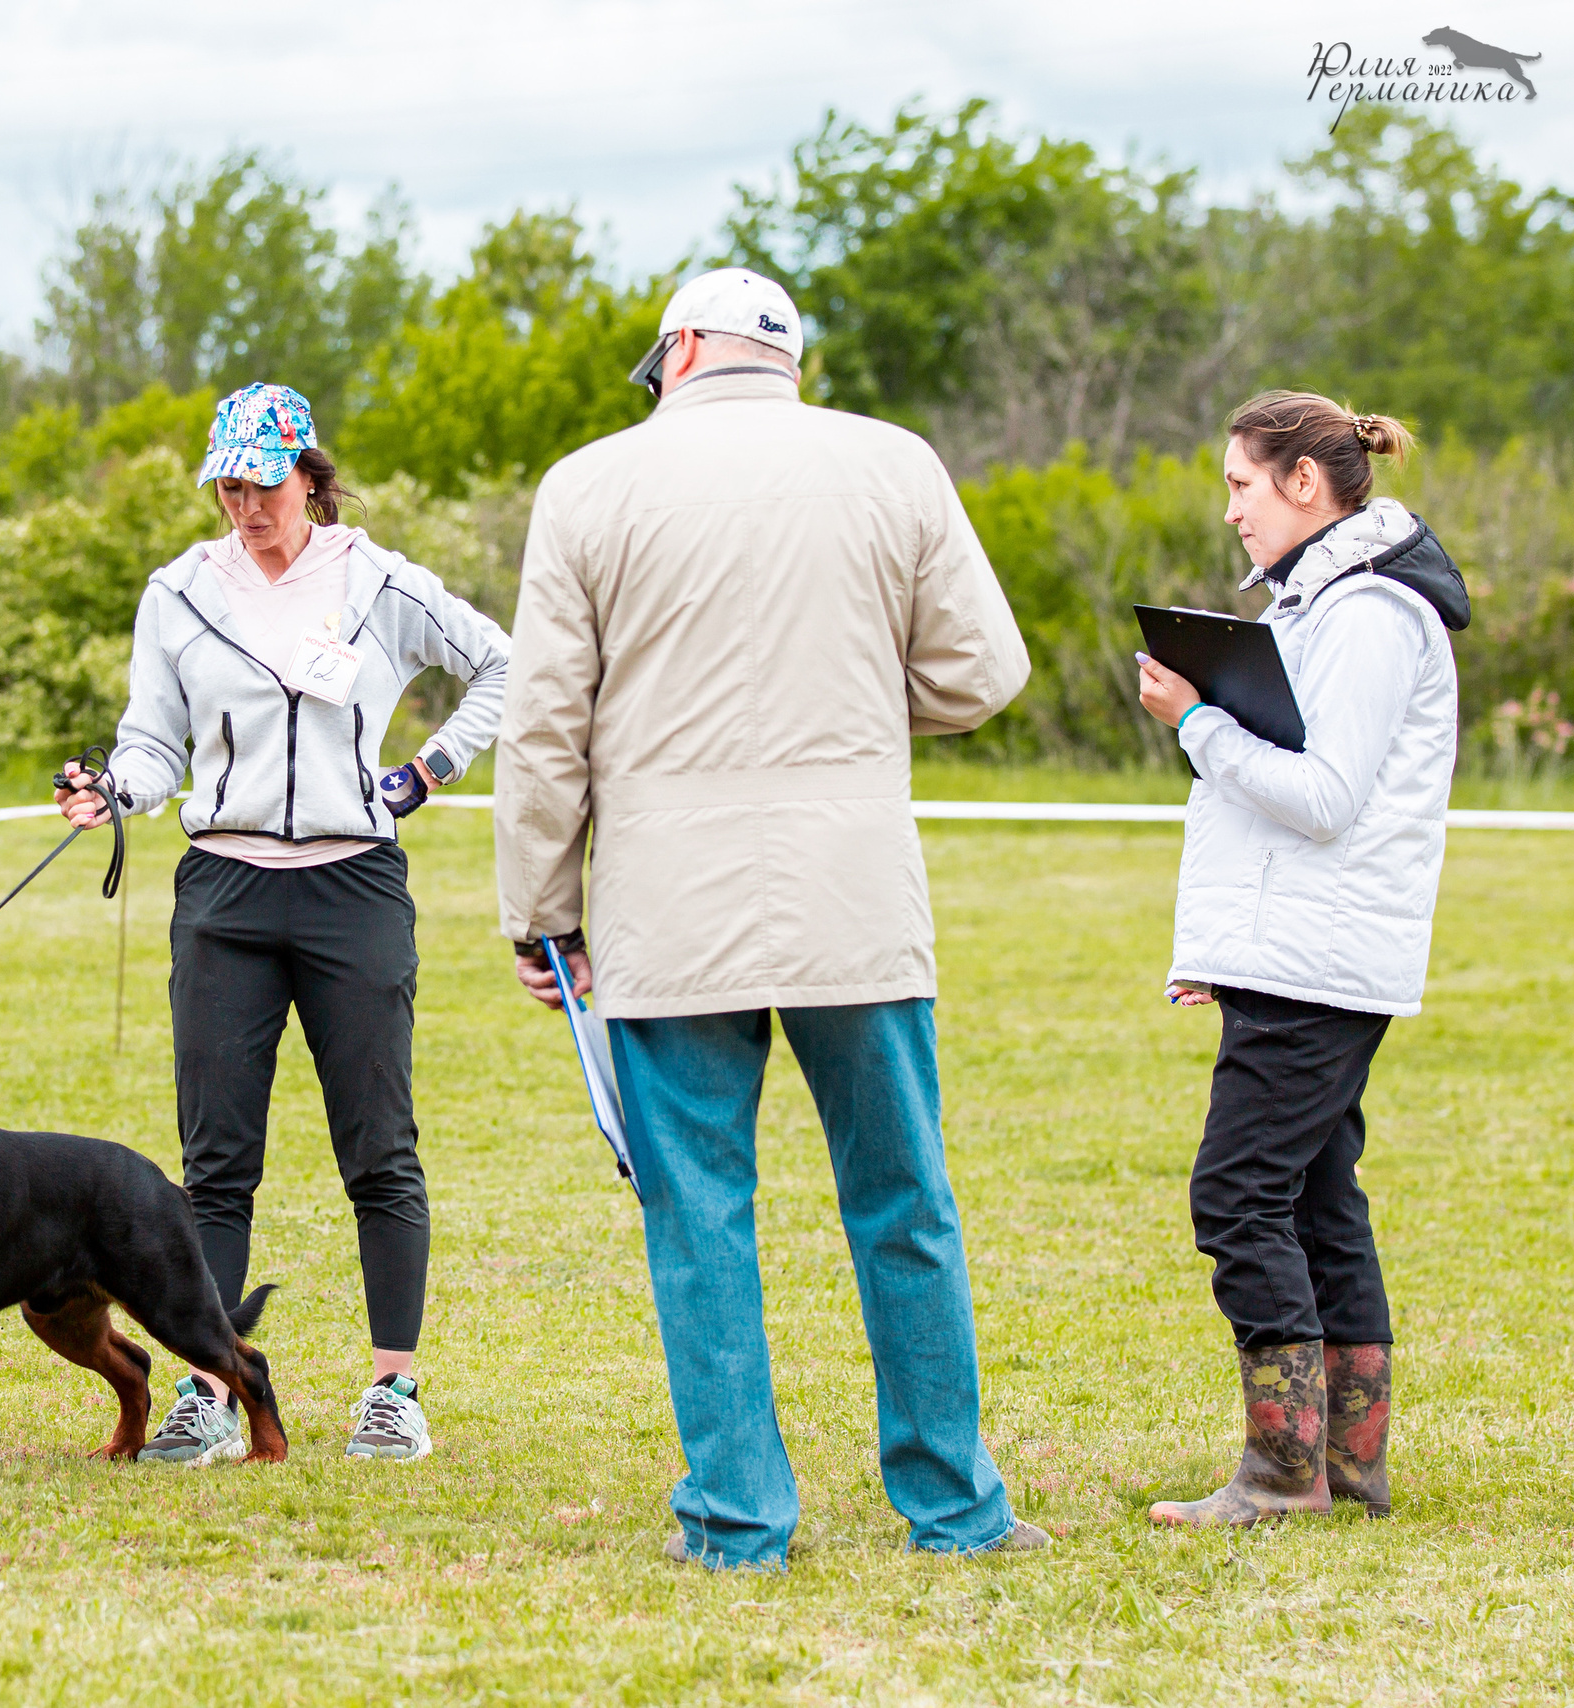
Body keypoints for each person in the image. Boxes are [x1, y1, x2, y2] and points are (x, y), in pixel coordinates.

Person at [494, 267, 1045, 1570]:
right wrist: (848, 702)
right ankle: (956, 1510)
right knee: (904, 1202)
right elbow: (986, 670)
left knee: (699, 1214)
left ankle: (740, 1519)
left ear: (679, 348)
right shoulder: (893, 464)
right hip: (853, 897)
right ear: (786, 356)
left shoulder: (589, 485)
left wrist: (540, 913)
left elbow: (544, 731)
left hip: (663, 913)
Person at [57, 382, 510, 1466]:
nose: (244, 505)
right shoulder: (177, 592)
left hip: (353, 889)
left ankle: (392, 1390)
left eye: (262, 483)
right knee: (215, 1164)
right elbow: (154, 742)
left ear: (309, 473)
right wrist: (114, 789)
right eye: (227, 484)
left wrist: (430, 766)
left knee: (380, 1152)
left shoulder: (379, 582)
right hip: (223, 892)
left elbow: (502, 662)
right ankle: (208, 1386)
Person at [1135, 391, 1465, 1527]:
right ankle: (1348, 1468)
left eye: (1239, 482)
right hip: (1292, 951)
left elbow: (1323, 800)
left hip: (1319, 958)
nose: (1228, 508)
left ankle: (1282, 1476)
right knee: (1319, 1199)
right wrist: (1216, 950)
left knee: (1235, 1195)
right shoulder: (1321, 603)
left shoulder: (1367, 614)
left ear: (1304, 484)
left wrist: (1194, 722)